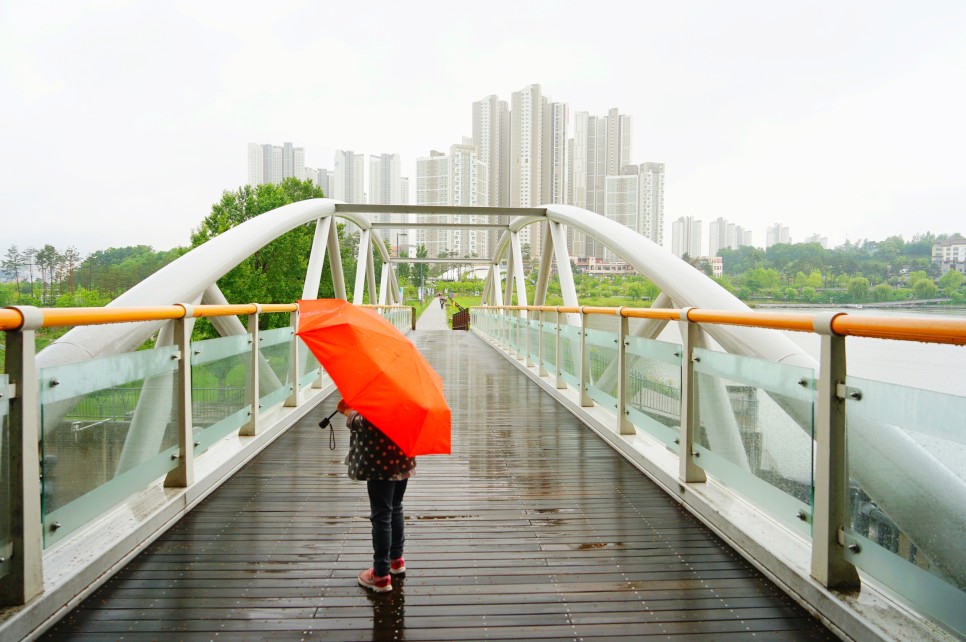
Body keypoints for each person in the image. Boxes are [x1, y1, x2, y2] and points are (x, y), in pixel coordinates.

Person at [336, 398, 416, 593]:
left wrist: (348, 412)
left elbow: (369, 423)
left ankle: (380, 574)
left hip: (381, 462)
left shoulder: (382, 392)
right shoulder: (408, 392)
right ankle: (396, 560)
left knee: (381, 514)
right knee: (395, 506)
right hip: (403, 457)